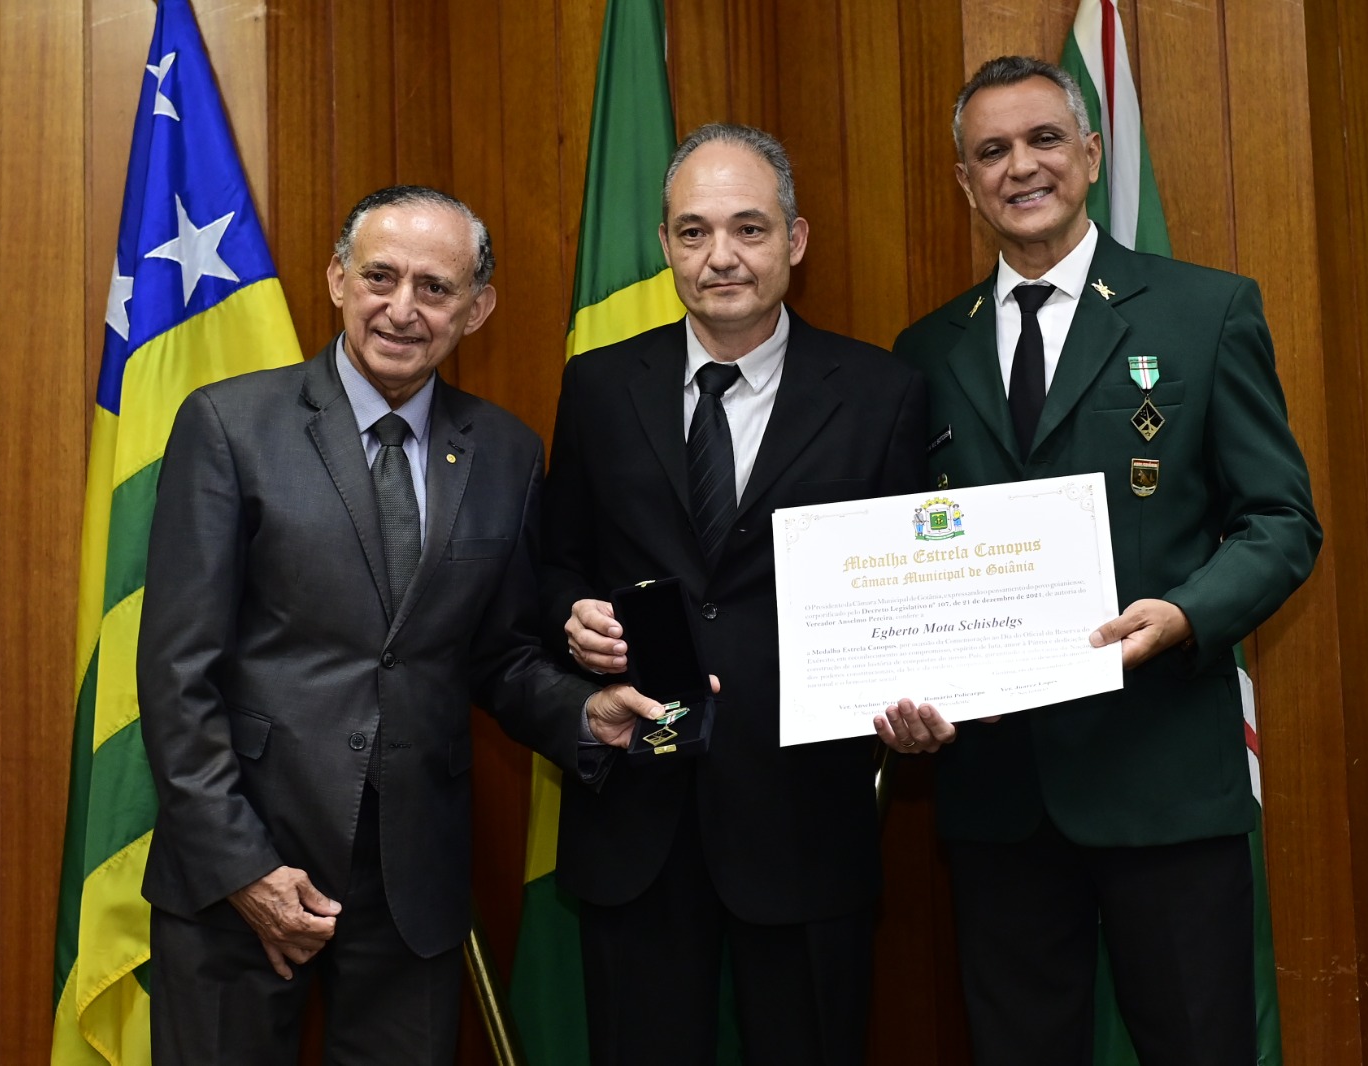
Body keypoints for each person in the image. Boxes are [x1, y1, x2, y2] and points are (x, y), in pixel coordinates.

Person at [137, 185, 666, 1065]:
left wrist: (583, 713)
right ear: (337, 280)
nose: (401, 308)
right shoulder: (230, 425)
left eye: (435, 287)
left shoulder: (506, 452)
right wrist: (241, 866)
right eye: (380, 277)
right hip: (241, 867)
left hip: (411, 883)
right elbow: (175, 672)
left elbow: (497, 655)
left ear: (476, 308)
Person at [889, 57, 1322, 1065]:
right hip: (1000, 798)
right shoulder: (923, 353)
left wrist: (1185, 614)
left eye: (1044, 139)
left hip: (1162, 777)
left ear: (1089, 154)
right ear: (964, 182)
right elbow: (904, 556)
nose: (1020, 166)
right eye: (991, 151)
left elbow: (1280, 520)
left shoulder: (1204, 312)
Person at [542, 123, 948, 1066]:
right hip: (637, 817)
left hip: (804, 825)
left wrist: (922, 691)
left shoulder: (883, 392)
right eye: (693, 232)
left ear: (793, 240)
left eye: (748, 229)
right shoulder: (598, 386)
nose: (719, 256)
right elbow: (558, 563)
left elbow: (910, 589)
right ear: (665, 245)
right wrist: (574, 617)